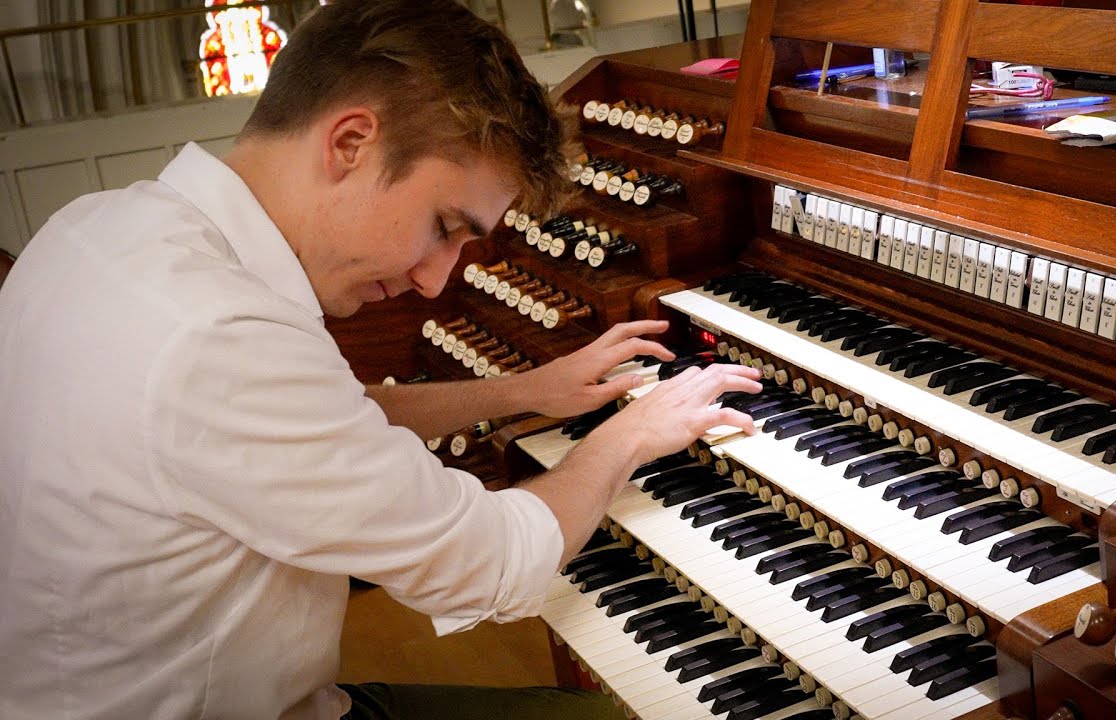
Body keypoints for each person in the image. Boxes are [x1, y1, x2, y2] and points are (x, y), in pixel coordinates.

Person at [0, 1, 761, 718]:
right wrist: (629, 434)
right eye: (444, 226)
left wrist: (529, 389)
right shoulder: (218, 336)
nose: (435, 279)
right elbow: (492, 561)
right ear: (350, 143)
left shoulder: (96, 227)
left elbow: (323, 414)